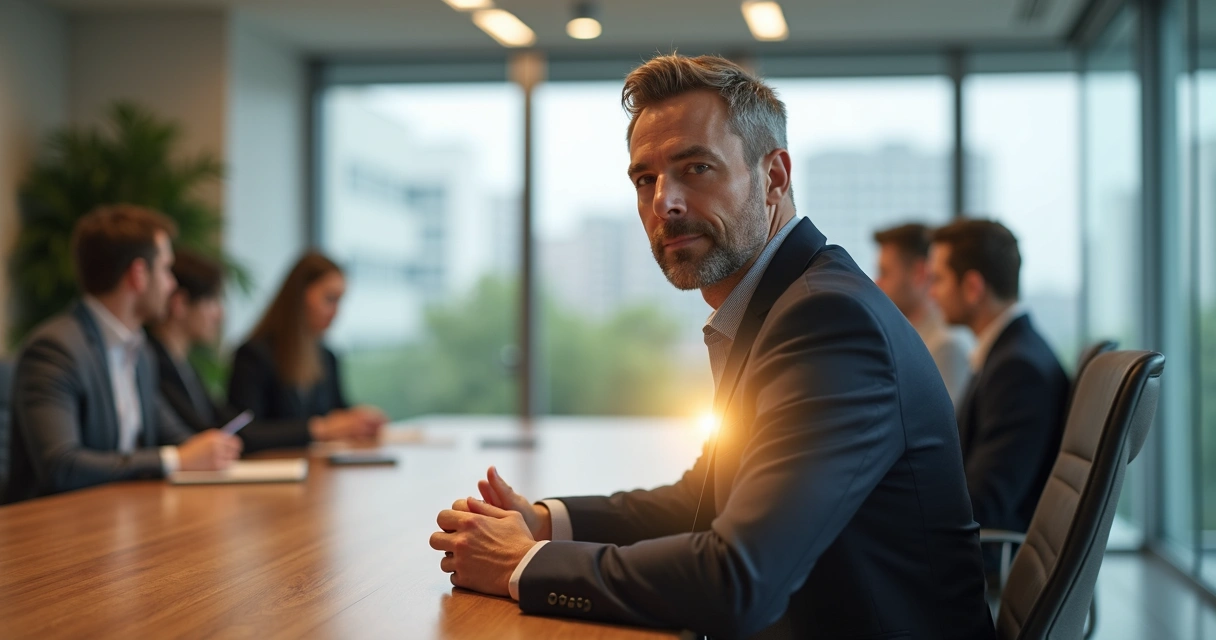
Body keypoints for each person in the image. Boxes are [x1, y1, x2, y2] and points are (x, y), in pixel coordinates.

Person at [429, 54, 994, 639]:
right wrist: (545, 522)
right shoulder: (786, 302)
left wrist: (522, 563)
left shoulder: (829, 322)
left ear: (774, 176)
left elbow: (738, 581)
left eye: (695, 168)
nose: (663, 203)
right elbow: (703, 495)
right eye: (644, 179)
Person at [4, 205, 241, 503]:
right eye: (166, 269)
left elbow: (173, 436)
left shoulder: (139, 350)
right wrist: (175, 460)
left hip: (119, 519)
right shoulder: (56, 349)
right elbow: (61, 466)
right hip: (52, 534)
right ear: (138, 275)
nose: (173, 284)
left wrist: (209, 449)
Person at [928, 219, 1069, 535]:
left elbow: (984, 502)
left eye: (938, 279)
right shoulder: (1011, 353)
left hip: (984, 558)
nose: (932, 294)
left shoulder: (1017, 370)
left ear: (973, 288)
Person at [147, 249, 314, 452]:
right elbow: (207, 432)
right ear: (180, 303)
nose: (220, 315)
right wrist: (316, 429)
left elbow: (230, 423)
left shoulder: (182, 364)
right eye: (212, 301)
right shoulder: (154, 362)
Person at [227, 251, 385, 446]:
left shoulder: (326, 357)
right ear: (300, 296)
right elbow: (245, 432)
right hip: (275, 470)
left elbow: (337, 410)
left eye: (340, 301)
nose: (336, 312)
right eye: (330, 299)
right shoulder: (254, 355)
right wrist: (320, 429)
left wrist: (358, 419)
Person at [873, 222, 974, 405]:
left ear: (919, 273)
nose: (877, 283)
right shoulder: (903, 338)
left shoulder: (945, 345)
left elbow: (948, 430)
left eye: (884, 272)